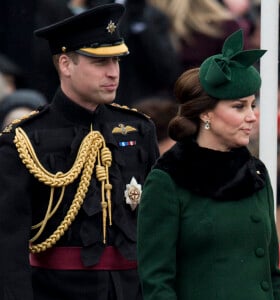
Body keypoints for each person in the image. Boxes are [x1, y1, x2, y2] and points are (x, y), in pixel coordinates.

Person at [0, 3, 159, 300]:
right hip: (57, 290)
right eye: (100, 63)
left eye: (116, 61)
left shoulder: (138, 129)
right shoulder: (24, 140)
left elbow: (158, 225)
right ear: (65, 64)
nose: (113, 73)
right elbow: (8, 246)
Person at [137, 29, 280, 300]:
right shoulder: (168, 179)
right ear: (206, 113)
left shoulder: (255, 172)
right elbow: (157, 282)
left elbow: (272, 274)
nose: (252, 117)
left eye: (253, 105)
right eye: (239, 107)